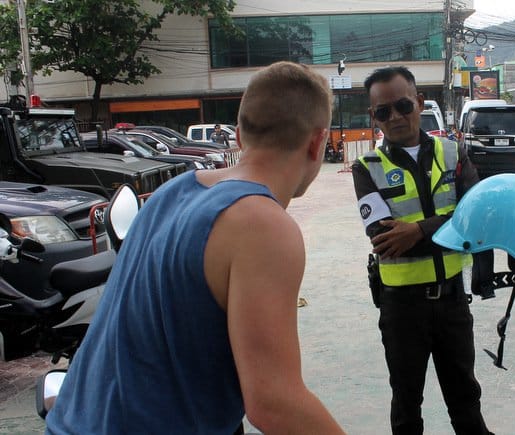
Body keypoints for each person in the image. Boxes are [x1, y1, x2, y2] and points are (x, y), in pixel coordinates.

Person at [45, 62, 345, 434]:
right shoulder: (263, 225)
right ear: (318, 143)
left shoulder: (174, 190)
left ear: (238, 135)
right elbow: (273, 402)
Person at [352, 66, 493, 435]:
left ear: (418, 102)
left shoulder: (452, 152)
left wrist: (416, 230)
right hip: (401, 307)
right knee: (406, 403)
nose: (395, 117)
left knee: (465, 397)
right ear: (374, 117)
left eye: (402, 105)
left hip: (451, 301)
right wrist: (450, 222)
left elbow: (474, 217)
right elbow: (383, 237)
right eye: (383, 111)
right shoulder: (366, 167)